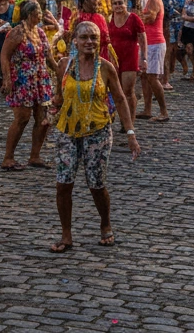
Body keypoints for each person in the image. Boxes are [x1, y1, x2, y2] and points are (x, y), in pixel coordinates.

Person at [48, 20, 140, 252]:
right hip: (67, 131)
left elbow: (119, 99)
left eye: (94, 37)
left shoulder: (106, 67)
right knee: (63, 184)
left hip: (97, 132)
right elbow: (58, 97)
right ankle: (66, 235)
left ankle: (105, 223)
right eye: (84, 37)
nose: (89, 41)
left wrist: (130, 133)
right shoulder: (64, 65)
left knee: (96, 184)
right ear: (75, 41)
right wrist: (49, 113)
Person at [0, 1, 58, 171]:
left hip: (40, 80)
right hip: (22, 80)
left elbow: (48, 56)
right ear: (30, 14)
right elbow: (4, 55)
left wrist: (61, 71)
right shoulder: (17, 32)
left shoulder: (39, 32)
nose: (41, 15)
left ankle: (35, 156)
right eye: (38, 12)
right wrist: (7, 79)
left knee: (43, 119)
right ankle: (8, 158)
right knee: (22, 118)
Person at [106, 0, 147, 127]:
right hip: (114, 59)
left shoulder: (133, 18)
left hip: (130, 57)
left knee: (128, 91)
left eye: (120, 3)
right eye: (115, 3)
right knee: (116, 91)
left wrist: (144, 58)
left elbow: (142, 38)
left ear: (125, 4)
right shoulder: (109, 19)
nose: (118, 6)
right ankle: (122, 118)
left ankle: (130, 122)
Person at [135, 0, 169, 120]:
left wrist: (137, 18)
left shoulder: (154, 0)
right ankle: (147, 109)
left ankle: (163, 111)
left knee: (152, 77)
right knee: (144, 76)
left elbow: (151, 18)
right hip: (148, 43)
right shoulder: (149, 0)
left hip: (155, 43)